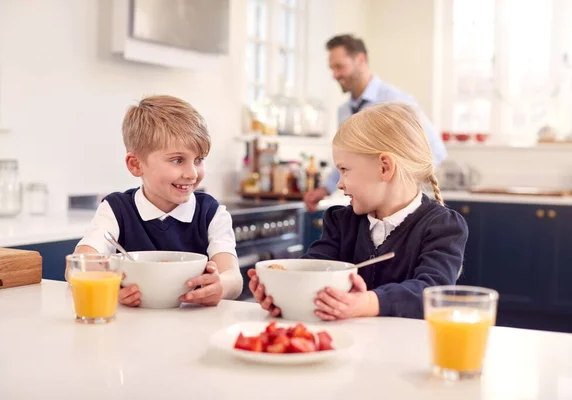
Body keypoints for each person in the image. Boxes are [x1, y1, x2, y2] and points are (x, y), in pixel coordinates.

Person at [248, 102, 468, 320]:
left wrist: (367, 302)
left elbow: (432, 292)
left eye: (344, 170)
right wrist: (283, 291)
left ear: (385, 167)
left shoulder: (443, 227)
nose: (339, 184)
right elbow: (314, 269)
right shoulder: (340, 222)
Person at [69, 95, 243, 307]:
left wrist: (220, 286)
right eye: (177, 160)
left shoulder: (211, 213)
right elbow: (77, 267)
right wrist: (112, 288)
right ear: (136, 165)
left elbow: (234, 278)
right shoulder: (116, 210)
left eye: (198, 160)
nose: (191, 174)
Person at [303, 34, 447, 212]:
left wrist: (397, 190)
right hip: (371, 213)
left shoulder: (395, 101)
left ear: (361, 60)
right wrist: (326, 189)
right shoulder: (343, 112)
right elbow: (347, 159)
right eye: (332, 69)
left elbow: (435, 151)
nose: (335, 75)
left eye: (339, 67)